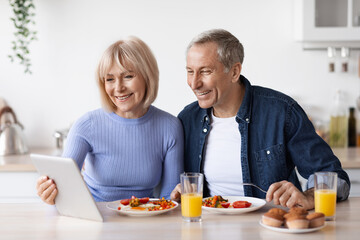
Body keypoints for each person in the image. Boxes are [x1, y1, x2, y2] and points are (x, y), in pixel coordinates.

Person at [171, 29, 350, 210]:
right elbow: (177, 187)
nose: (194, 83)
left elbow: (335, 177)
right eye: (190, 71)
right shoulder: (187, 120)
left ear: (234, 72)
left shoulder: (281, 112)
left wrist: (308, 196)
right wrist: (178, 192)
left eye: (205, 71)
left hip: (271, 227)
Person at [36, 36, 184, 204]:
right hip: (95, 216)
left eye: (128, 76)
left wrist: (175, 200)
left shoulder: (169, 127)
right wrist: (50, 193)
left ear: (147, 77)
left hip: (144, 218)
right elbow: (63, 187)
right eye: (110, 79)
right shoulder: (86, 125)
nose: (118, 88)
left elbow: (168, 199)